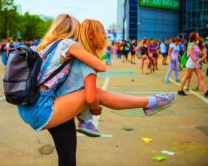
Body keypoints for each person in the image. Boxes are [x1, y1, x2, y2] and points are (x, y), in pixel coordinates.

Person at [17, 14, 176, 165]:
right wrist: (95, 108)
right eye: (104, 34)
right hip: (42, 108)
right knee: (96, 95)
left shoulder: (46, 47)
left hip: (27, 104)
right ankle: (150, 102)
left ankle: (86, 120)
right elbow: (98, 73)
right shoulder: (69, 44)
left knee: (66, 156)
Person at [178, 31, 208, 97]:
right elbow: (191, 55)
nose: (198, 36)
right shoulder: (190, 45)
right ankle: (180, 90)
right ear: (194, 37)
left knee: (200, 77)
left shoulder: (196, 45)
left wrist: (203, 51)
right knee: (186, 76)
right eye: (197, 35)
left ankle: (206, 91)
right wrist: (196, 62)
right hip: (191, 63)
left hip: (195, 63)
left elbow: (199, 53)